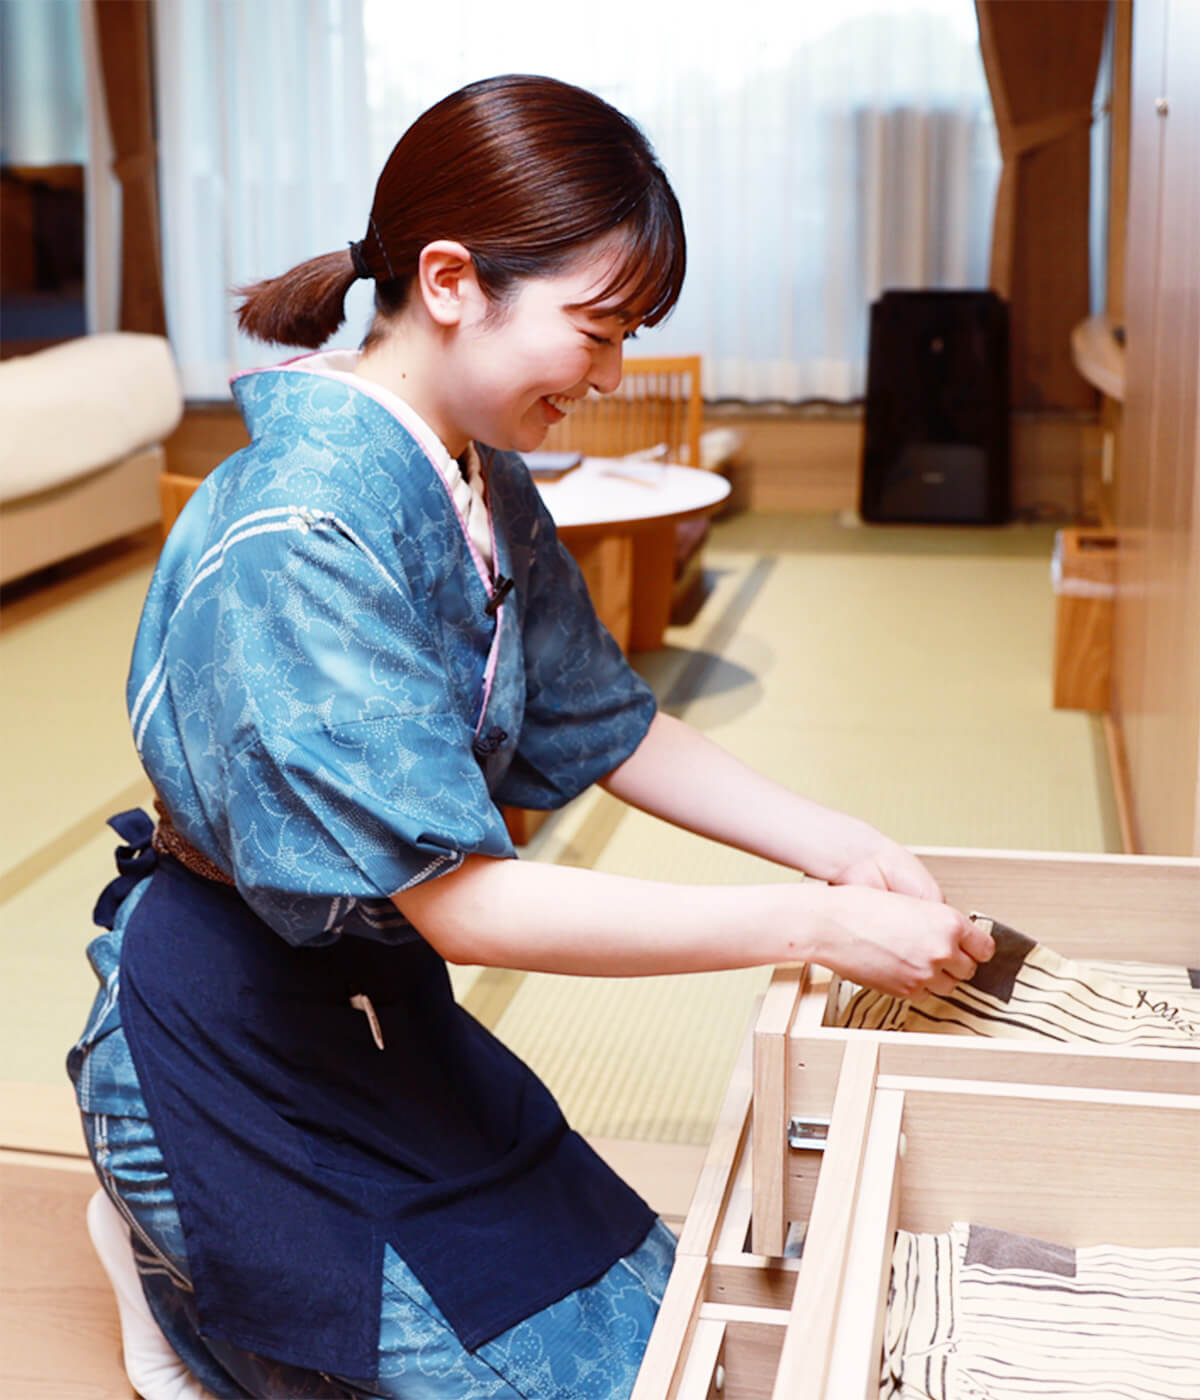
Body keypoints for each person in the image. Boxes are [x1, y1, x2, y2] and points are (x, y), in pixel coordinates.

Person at [67, 73, 993, 1400]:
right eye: (598, 330)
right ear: (451, 281)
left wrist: (840, 847)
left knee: (661, 1328)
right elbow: (468, 909)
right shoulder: (304, 530)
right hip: (227, 1033)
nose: (613, 375)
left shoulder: (476, 475)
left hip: (371, 1009)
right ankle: (168, 1269)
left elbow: (608, 724)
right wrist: (810, 926)